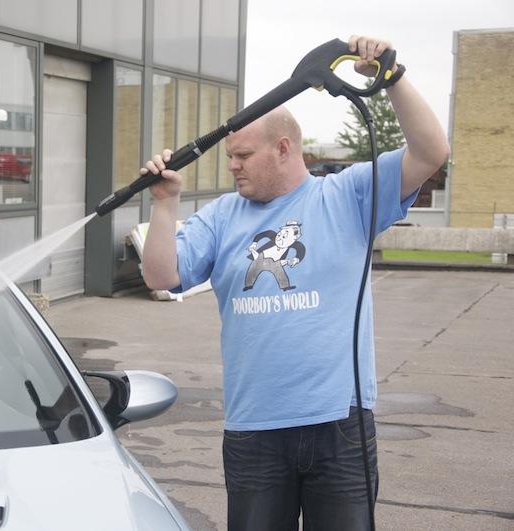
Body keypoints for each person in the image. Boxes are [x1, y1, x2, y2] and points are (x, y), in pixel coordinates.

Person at [140, 35, 450, 530]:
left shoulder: (348, 194)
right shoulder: (221, 216)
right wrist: (163, 202)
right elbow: (162, 275)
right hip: (255, 430)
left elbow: (431, 152)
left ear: (283, 148)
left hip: (340, 425)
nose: (232, 165)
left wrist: (392, 78)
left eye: (242, 155)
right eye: (229, 157)